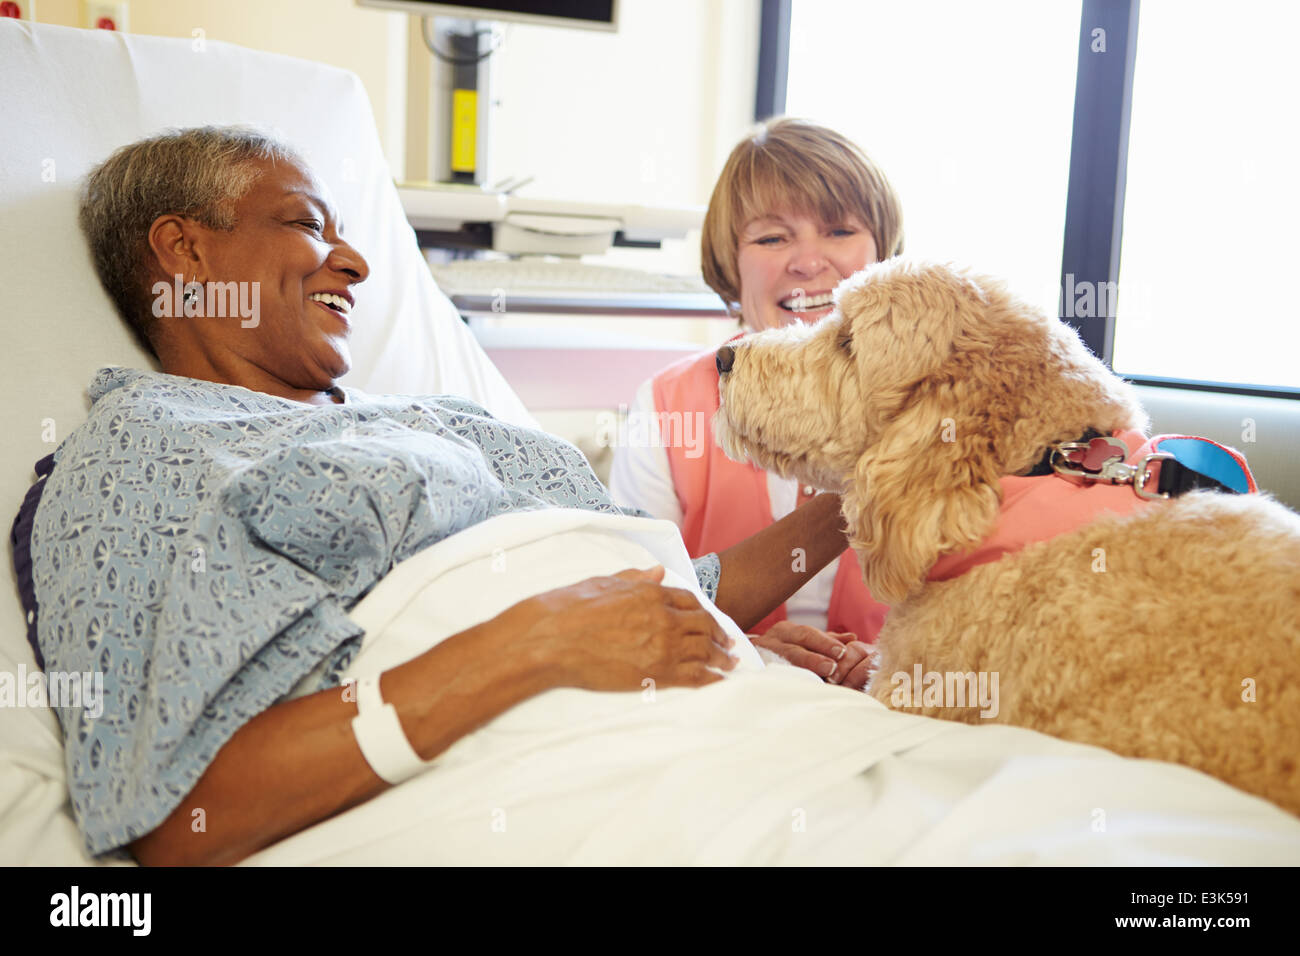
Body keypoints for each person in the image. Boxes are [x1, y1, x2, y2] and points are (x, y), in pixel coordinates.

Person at [20, 127, 877, 867]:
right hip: (580, 786)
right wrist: (534, 642)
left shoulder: (444, 417)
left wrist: (877, 478)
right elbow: (174, 819)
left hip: (749, 729)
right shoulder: (147, 444)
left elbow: (675, 593)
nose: (352, 262)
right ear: (184, 250)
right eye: (306, 226)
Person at [610, 117, 903, 677]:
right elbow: (635, 607)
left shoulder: (936, 399)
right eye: (772, 237)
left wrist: (897, 664)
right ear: (730, 262)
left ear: (884, 251)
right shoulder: (669, 406)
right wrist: (759, 654)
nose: (809, 262)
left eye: (839, 231)